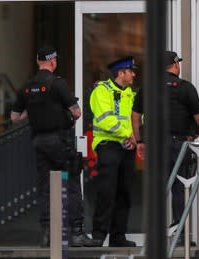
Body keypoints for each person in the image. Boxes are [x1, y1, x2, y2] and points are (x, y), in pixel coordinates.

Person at [10, 46, 99, 247]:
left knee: (45, 187)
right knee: (72, 183)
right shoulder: (57, 84)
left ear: (37, 61)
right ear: (53, 62)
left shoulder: (27, 86)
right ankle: (76, 233)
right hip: (59, 142)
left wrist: (32, 112)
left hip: (39, 142)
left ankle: (48, 234)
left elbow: (15, 117)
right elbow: (76, 112)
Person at [132, 51, 199, 242]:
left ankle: (154, 234)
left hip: (154, 144)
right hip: (178, 144)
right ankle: (179, 234)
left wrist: (140, 141)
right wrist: (193, 131)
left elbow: (135, 114)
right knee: (179, 187)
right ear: (175, 65)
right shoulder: (185, 87)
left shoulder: (148, 87)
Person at [89, 56, 137, 247]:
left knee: (124, 193)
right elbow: (105, 119)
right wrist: (130, 133)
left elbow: (137, 119)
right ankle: (99, 235)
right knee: (106, 191)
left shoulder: (131, 94)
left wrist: (138, 137)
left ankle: (118, 236)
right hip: (108, 146)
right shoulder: (102, 91)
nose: (133, 74)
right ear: (121, 73)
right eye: (131, 71)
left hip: (127, 148)